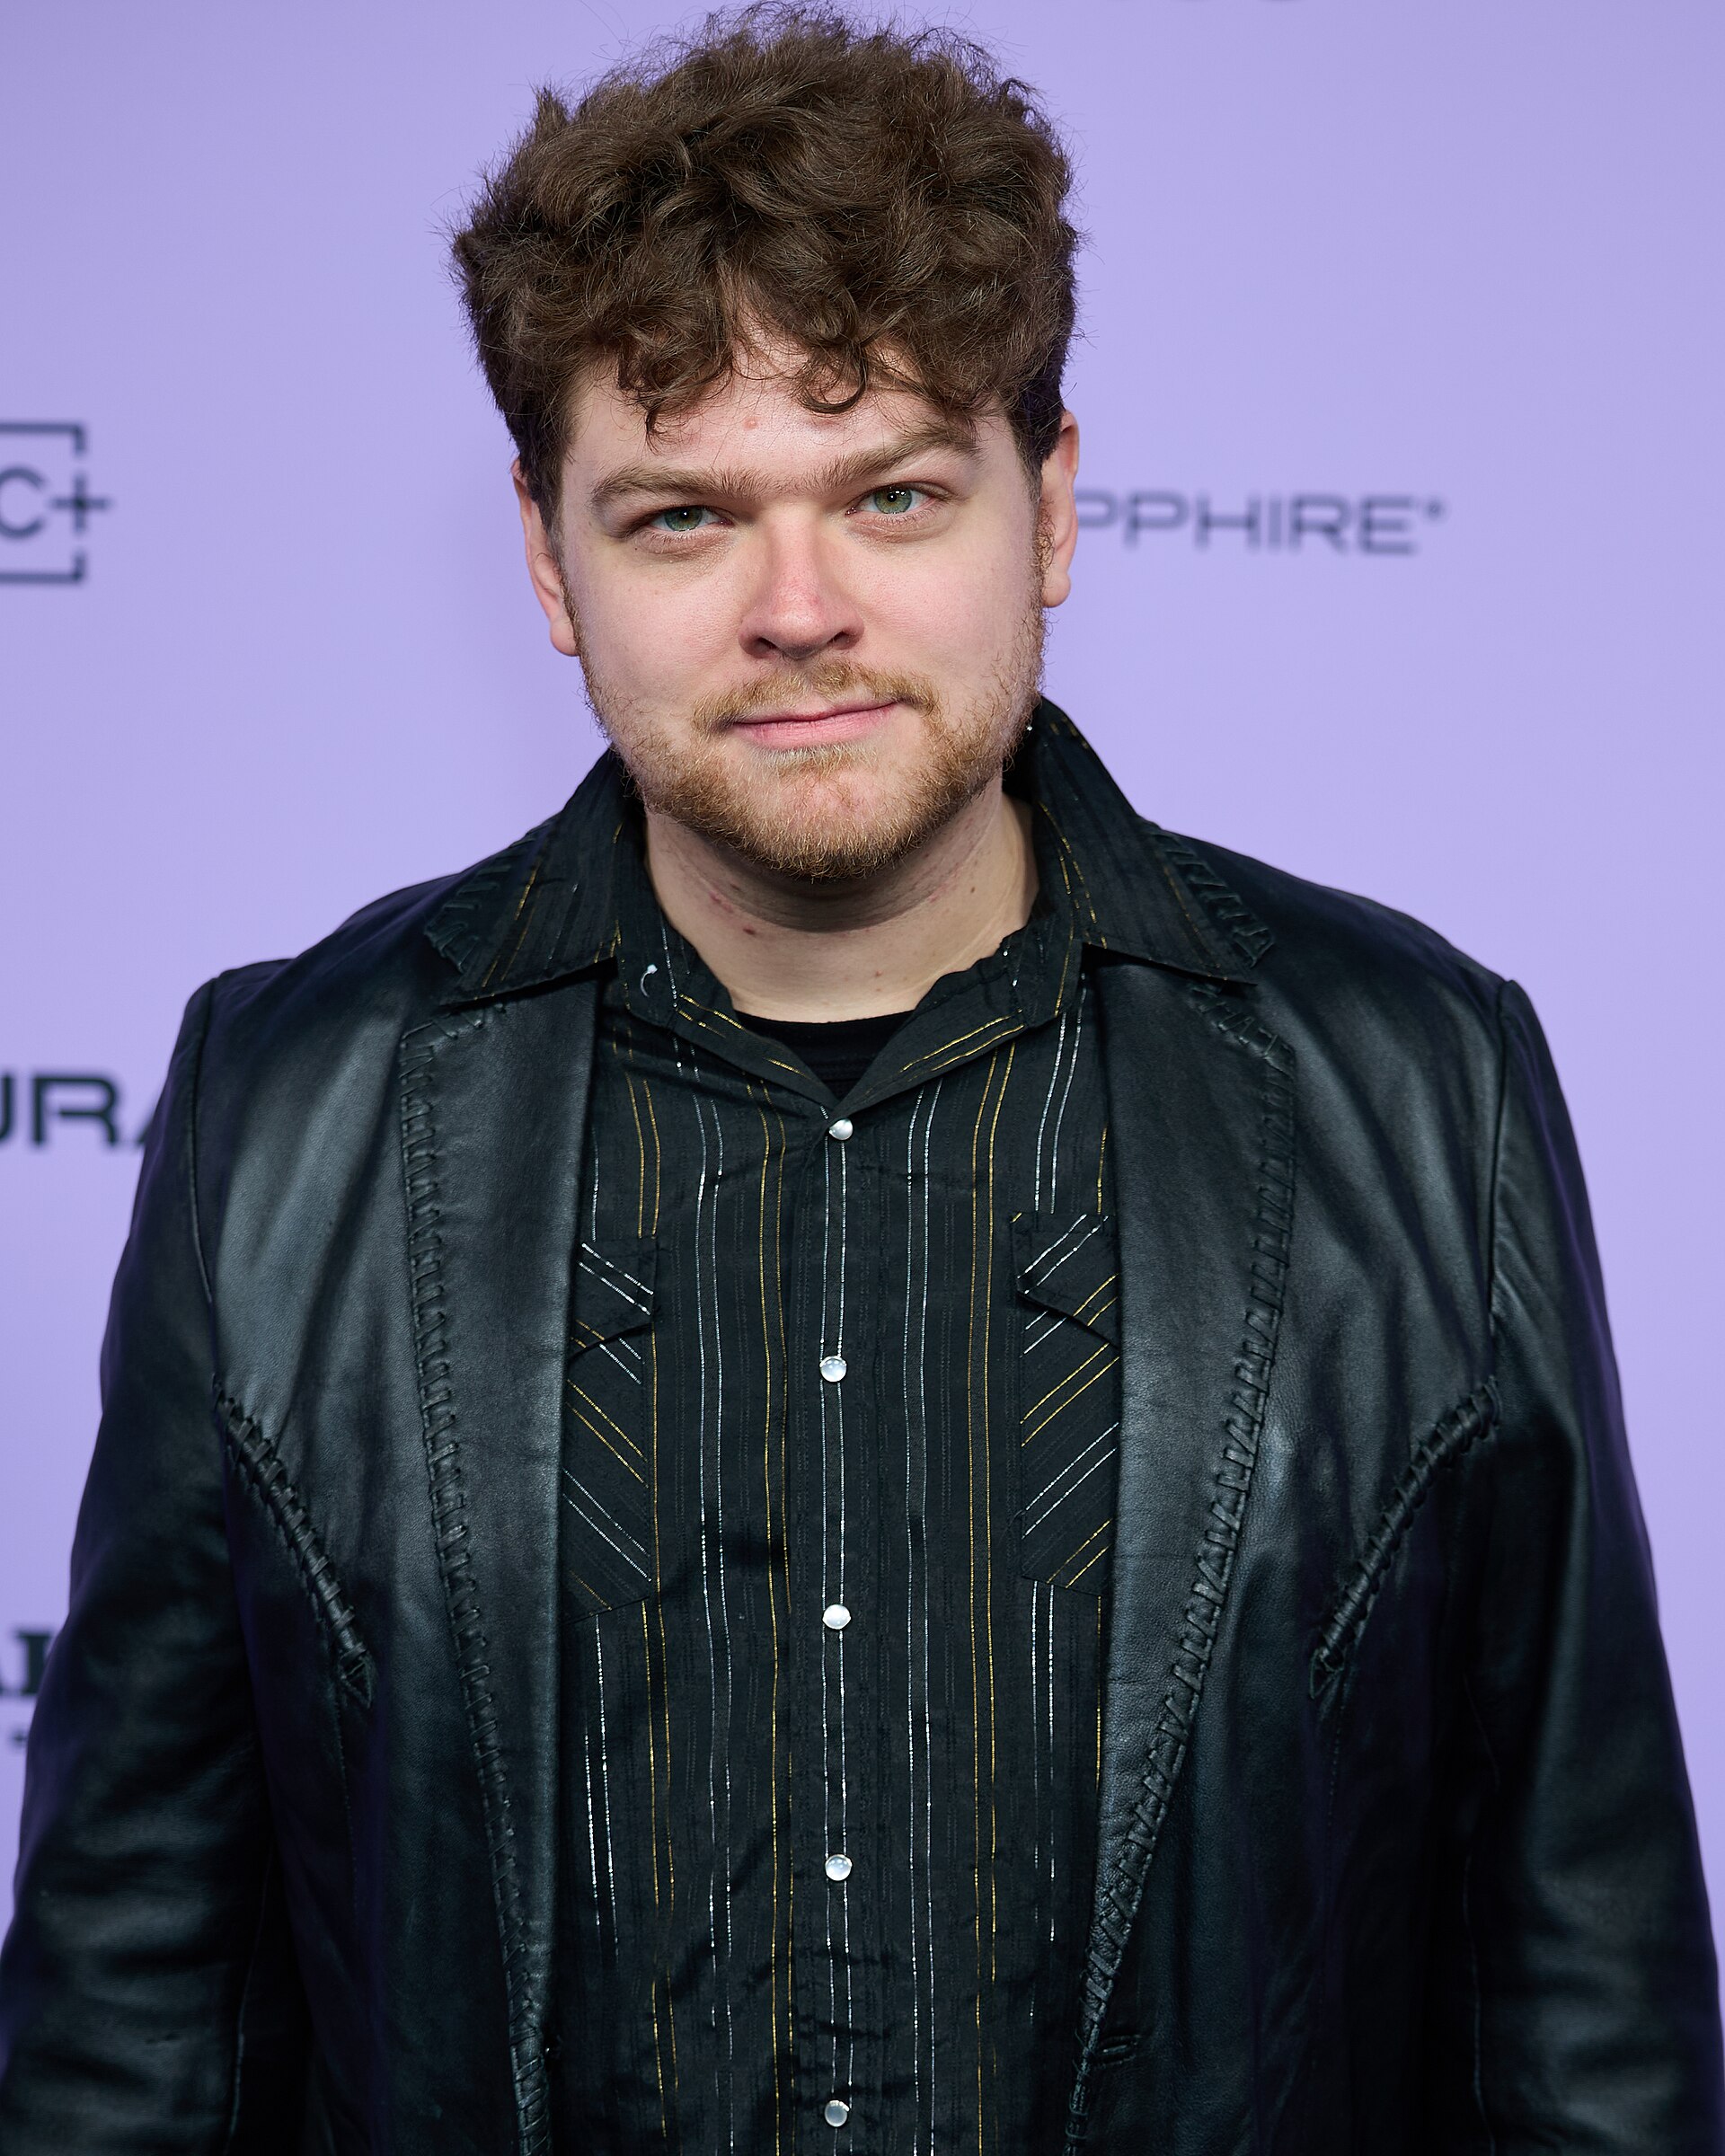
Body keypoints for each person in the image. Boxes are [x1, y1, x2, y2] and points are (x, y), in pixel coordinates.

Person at [1, 8, 1720, 2151]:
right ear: (548, 560)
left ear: (1050, 507)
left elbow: (1583, 2001)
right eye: (683, 519)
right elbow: (134, 2011)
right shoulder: (289, 1105)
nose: (798, 609)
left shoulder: (1419, 1082)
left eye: (893, 493)